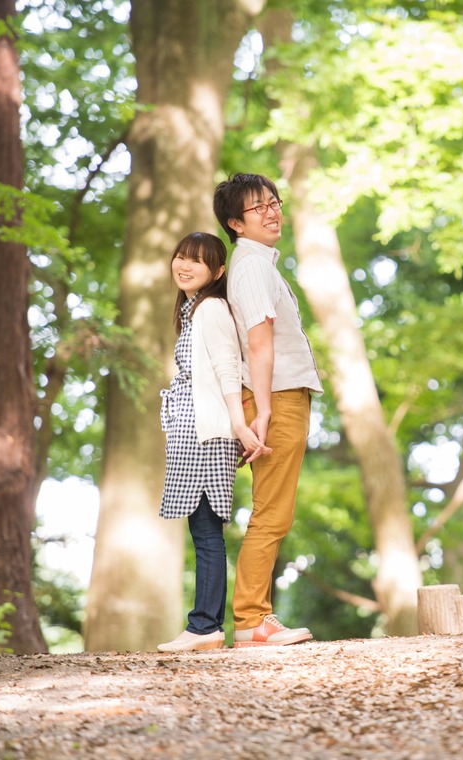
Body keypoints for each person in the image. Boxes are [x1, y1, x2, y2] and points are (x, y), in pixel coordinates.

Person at [214, 173, 323, 647]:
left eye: (274, 202)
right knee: (271, 513)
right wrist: (260, 412)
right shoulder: (252, 266)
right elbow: (259, 346)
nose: (273, 211)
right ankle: (253, 620)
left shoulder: (259, 264)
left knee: (274, 511)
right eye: (258, 208)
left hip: (275, 394)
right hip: (274, 396)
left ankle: (253, 618)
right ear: (235, 223)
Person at [156, 232, 266, 653]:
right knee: (201, 527)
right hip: (191, 429)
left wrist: (239, 426)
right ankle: (204, 625)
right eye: (180, 256)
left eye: (196, 262)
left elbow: (226, 368)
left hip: (208, 430)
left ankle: (205, 627)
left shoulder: (212, 308)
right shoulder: (191, 311)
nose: (184, 265)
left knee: (205, 530)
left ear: (217, 272)